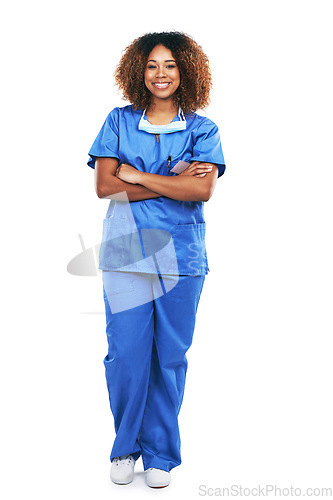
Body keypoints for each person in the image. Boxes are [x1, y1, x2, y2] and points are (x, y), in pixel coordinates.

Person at [87, 31, 226, 489]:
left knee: (168, 357)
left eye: (169, 65)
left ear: (185, 70)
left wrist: (139, 176)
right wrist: (172, 179)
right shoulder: (119, 121)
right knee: (126, 355)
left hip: (182, 255)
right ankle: (126, 447)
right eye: (151, 65)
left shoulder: (202, 129)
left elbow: (201, 189)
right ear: (138, 71)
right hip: (126, 252)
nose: (160, 73)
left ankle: (160, 453)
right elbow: (106, 186)